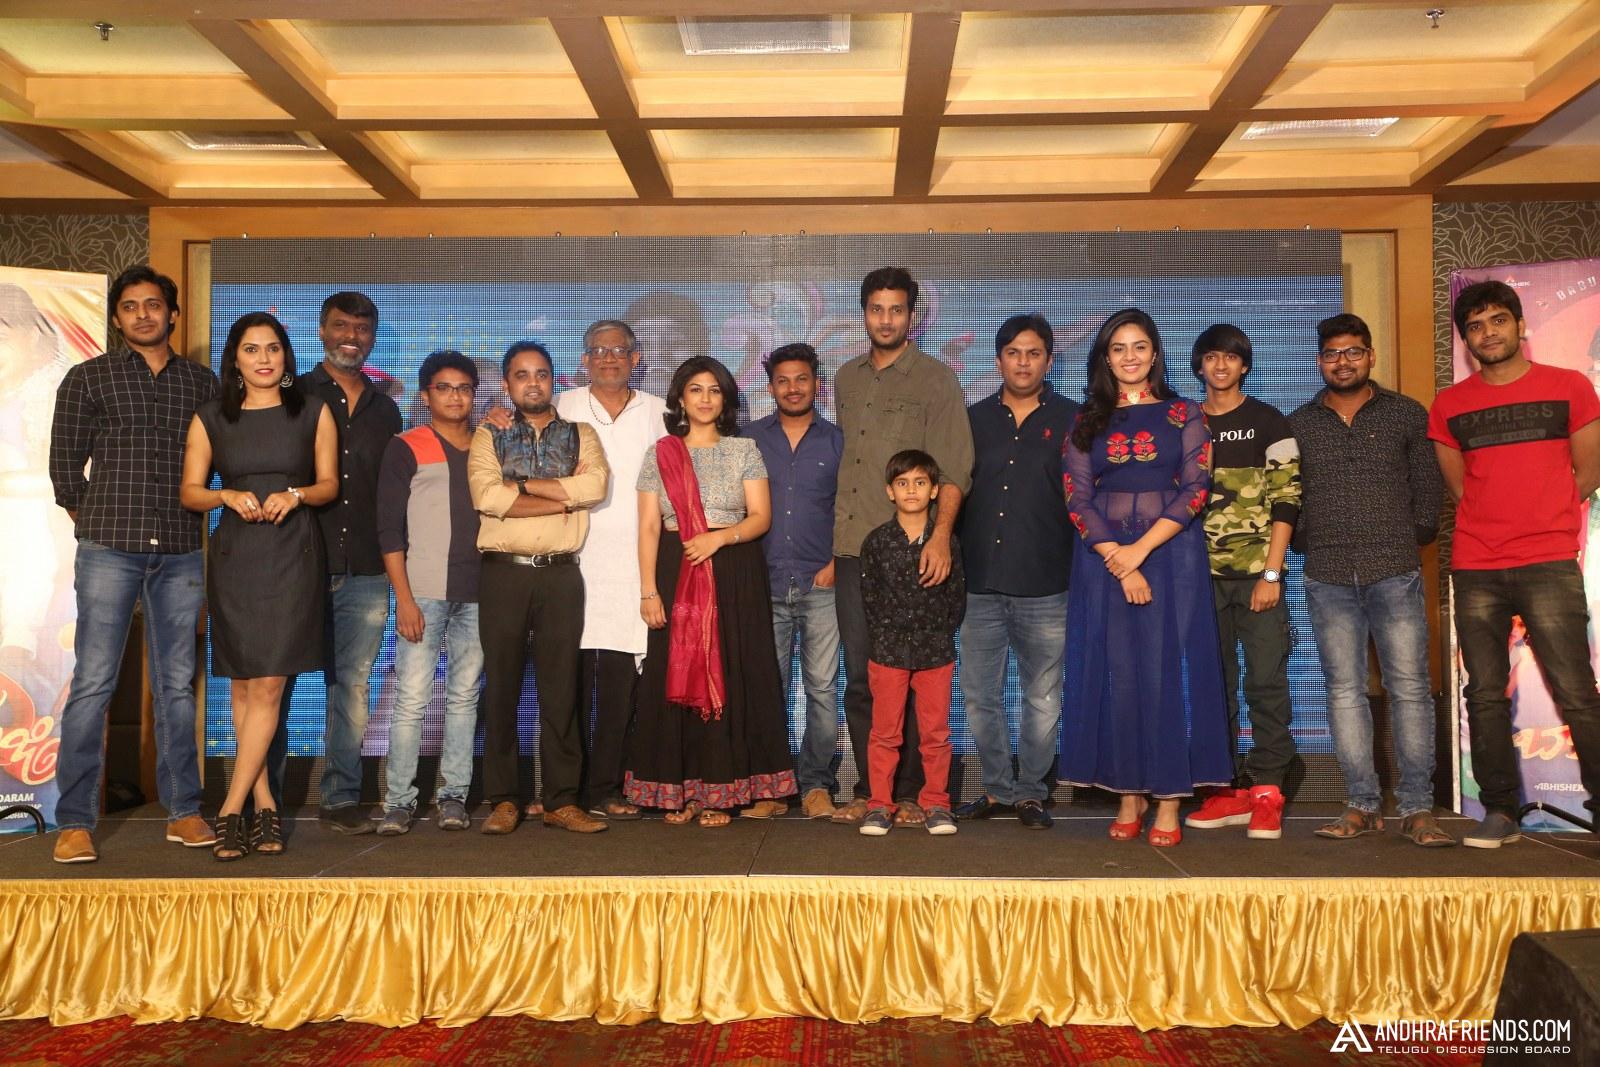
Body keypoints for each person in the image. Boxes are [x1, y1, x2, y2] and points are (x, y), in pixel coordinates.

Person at [47, 266, 221, 864]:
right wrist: (97, 522)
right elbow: (65, 468)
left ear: (172, 313)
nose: (143, 314)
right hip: (109, 549)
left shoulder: (202, 383)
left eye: (153, 304)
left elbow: (216, 461)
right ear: (117, 317)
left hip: (179, 549)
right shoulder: (87, 377)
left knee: (177, 685)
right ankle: (74, 821)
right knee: (94, 683)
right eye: (130, 306)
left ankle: (184, 811)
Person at [1432, 280, 1600, 847]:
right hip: (1476, 564)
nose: (1488, 333)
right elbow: (1460, 486)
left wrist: (1545, 517)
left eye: (1498, 320)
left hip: (1548, 560)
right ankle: (1500, 811)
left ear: (1520, 325)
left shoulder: (1569, 386)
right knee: (1483, 693)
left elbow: (1589, 470)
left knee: (1576, 691)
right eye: (1475, 326)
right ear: (1466, 340)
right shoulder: (1450, 405)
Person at [1061, 308, 1232, 848]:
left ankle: (1169, 797)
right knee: (1120, 675)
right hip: (1103, 562)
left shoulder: (1185, 414)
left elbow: (1197, 488)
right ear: (1105, 358)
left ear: (1155, 353)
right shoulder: (1086, 420)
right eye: (1118, 348)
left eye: (1139, 346)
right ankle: (1129, 793)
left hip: (1171, 556)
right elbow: (1076, 498)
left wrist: (1139, 552)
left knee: (1166, 674)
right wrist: (1118, 557)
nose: (1129, 357)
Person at [179, 312, 338, 859]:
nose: (264, 358)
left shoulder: (311, 410)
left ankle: (230, 810)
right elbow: (190, 492)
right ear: (236, 359)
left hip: (294, 555)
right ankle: (265, 805)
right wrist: (224, 495)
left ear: (286, 356)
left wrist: (296, 495)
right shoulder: (211, 417)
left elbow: (328, 484)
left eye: (273, 348)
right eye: (252, 349)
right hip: (236, 557)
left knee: (269, 684)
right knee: (243, 686)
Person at [1290, 313, 1451, 846]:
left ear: (1371, 356)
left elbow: (1428, 483)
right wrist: (1307, 540)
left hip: (1394, 570)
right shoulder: (1300, 423)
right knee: (1344, 691)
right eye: (1332, 353)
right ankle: (1361, 803)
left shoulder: (1406, 413)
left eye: (1353, 352)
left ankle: (1417, 807)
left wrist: (1414, 535)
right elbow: (1287, 495)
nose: (1343, 362)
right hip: (1328, 574)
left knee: (1410, 689)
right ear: (1320, 361)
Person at [627, 356, 797, 826]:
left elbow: (760, 517)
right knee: (677, 672)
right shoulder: (660, 453)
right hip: (675, 571)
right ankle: (682, 790)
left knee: (732, 671)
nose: (705, 399)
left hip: (733, 571)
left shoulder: (743, 449)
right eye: (696, 390)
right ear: (680, 398)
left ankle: (723, 791)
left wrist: (718, 539)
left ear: (726, 400)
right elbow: (648, 527)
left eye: (714, 390)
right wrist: (648, 591)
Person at [832, 267, 973, 827]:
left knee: (919, 678)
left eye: (896, 309)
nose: (886, 320)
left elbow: (955, 468)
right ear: (864, 314)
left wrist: (939, 537)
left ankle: (916, 794)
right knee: (864, 677)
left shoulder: (936, 379)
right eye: (876, 309)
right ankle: (875, 794)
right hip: (854, 552)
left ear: (913, 315)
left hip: (916, 555)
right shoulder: (846, 378)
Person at [470, 341, 610, 835]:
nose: (533, 383)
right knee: (501, 688)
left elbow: (594, 488)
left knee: (561, 688)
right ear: (507, 383)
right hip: (503, 573)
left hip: (560, 574)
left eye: (542, 374)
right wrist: (562, 497)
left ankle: (562, 801)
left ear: (554, 380)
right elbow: (488, 498)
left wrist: (522, 486)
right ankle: (504, 800)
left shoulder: (580, 434)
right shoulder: (488, 434)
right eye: (522, 375)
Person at [955, 314, 1078, 830]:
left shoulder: (1075, 420)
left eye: (1033, 353)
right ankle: (996, 788)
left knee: (1043, 697)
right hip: (978, 581)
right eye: (1013, 353)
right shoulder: (971, 419)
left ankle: (1031, 792)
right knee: (979, 696)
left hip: (1046, 582)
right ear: (998, 359)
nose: (1023, 363)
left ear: (1049, 360)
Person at [289, 292, 402, 835]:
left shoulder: (387, 409)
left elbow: (391, 493)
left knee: (352, 687)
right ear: (321, 330)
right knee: (276, 682)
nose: (350, 337)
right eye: (340, 326)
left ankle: (339, 798)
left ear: (372, 337)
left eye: (361, 328)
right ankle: (264, 800)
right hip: (296, 563)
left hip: (367, 568)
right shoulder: (292, 394)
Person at [1184, 324, 1301, 841]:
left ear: (1245, 365)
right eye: (1211, 357)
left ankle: (1267, 793)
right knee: (1214, 688)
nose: (1220, 365)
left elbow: (1287, 500)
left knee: (1266, 685)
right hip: (1199, 580)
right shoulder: (1185, 422)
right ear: (1199, 365)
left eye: (1230, 357)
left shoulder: (1269, 421)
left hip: (1258, 578)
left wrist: (1271, 573)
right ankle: (1226, 789)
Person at [557, 320, 668, 821]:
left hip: (636, 567)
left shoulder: (660, 412)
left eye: (619, 350)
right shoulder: (562, 407)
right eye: (598, 351)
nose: (608, 358)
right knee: (570, 683)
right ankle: (565, 790)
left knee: (623, 684)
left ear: (636, 358)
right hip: (571, 560)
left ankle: (607, 786)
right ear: (584, 361)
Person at [374, 350, 484, 835]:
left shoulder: (489, 445)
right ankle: (399, 801)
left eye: (463, 388)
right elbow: (388, 529)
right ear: (425, 395)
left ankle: (453, 797)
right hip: (423, 592)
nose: (455, 396)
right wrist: (404, 598)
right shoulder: (407, 446)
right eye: (444, 388)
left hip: (479, 591)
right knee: (412, 699)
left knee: (464, 698)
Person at [748, 343, 844, 820]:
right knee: (769, 690)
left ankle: (815, 784)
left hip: (821, 582)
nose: (792, 388)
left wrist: (836, 561)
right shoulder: (748, 439)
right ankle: (770, 786)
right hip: (763, 582)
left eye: (801, 379)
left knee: (822, 690)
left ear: (816, 385)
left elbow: (851, 506)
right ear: (771, 388)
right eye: (783, 380)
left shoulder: (838, 441)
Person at [858, 450, 966, 837]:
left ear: (934, 490)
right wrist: (887, 636)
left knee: (935, 734)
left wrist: (938, 633)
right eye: (902, 483)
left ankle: (936, 803)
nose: (911, 490)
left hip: (935, 651)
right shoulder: (876, 542)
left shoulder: (947, 542)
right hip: (888, 653)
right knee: (885, 733)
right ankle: (878, 806)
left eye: (920, 483)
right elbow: (869, 598)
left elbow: (956, 599)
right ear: (890, 491)